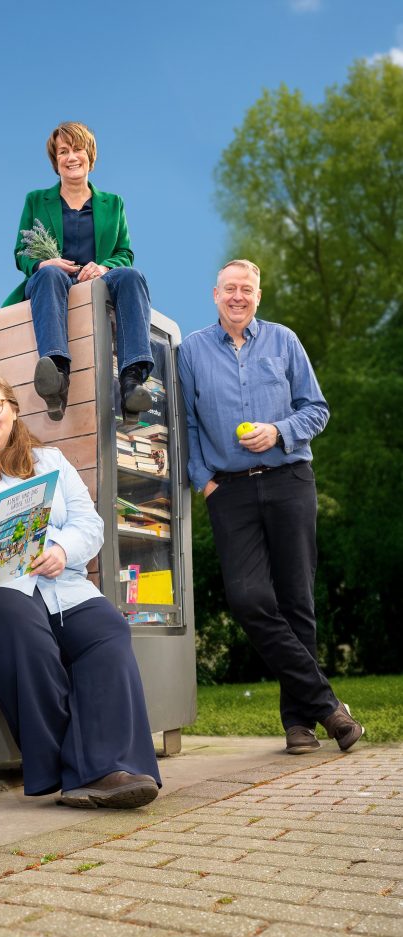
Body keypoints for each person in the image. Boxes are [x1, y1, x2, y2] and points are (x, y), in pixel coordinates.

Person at [0, 373, 161, 808]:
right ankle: (72, 769)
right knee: (21, 621)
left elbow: (89, 525)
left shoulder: (51, 460)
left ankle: (113, 766)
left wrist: (63, 549)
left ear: (13, 410)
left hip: (56, 583)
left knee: (107, 629)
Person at [177, 259, 364, 756]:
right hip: (229, 491)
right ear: (214, 294)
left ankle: (299, 723)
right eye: (230, 289)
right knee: (248, 600)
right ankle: (329, 707)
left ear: (258, 296)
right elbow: (187, 424)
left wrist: (279, 432)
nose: (238, 296)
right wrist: (204, 481)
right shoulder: (191, 351)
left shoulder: (284, 341)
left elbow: (316, 409)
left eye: (247, 289)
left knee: (297, 601)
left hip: (289, 480)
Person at [3, 122, 153, 424]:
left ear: (90, 156)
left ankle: (132, 381)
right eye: (63, 151)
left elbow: (125, 253)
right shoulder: (36, 199)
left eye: (78, 149)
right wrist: (43, 263)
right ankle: (57, 376)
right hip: (52, 282)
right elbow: (22, 251)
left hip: (97, 281)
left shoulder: (114, 203)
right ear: (55, 161)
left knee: (132, 276)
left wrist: (104, 267)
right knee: (50, 275)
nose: (71, 157)